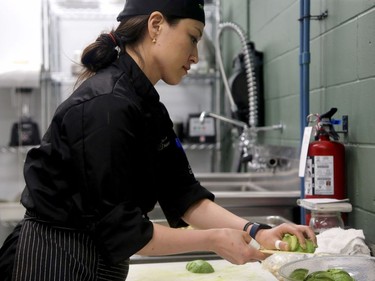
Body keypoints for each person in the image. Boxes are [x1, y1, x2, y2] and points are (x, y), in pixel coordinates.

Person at [0, 0, 316, 280]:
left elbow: (183, 195)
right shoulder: (106, 105)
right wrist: (213, 239)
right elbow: (122, 230)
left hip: (98, 260)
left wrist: (256, 232)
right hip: (56, 261)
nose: (194, 56)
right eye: (192, 38)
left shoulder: (147, 107)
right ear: (156, 25)